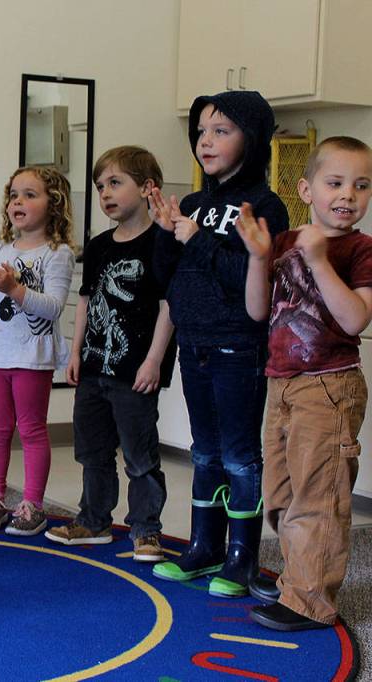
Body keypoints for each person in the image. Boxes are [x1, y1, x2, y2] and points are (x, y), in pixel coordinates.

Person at [150, 91, 289, 598]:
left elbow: (252, 278)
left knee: (239, 456)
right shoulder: (192, 204)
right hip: (196, 343)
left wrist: (195, 237)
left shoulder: (266, 207)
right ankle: (204, 548)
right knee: (204, 452)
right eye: (202, 132)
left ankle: (242, 557)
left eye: (222, 131)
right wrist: (167, 233)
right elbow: (168, 277)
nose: (206, 141)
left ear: (251, 141)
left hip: (239, 347)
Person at [235, 136, 372, 630]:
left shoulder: (360, 248)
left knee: (318, 496)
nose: (348, 195)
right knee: (280, 494)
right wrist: (258, 257)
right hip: (282, 386)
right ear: (306, 189)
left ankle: (309, 599)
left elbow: (355, 319)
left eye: (361, 186)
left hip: (329, 387)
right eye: (335, 183)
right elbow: (257, 311)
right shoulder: (288, 242)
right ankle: (298, 574)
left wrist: (318, 261)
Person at [43, 147, 174, 560]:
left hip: (134, 370)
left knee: (139, 455)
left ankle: (146, 530)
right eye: (101, 186)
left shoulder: (161, 243)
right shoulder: (98, 246)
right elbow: (84, 300)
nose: (105, 193)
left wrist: (154, 359)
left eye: (116, 183)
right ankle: (94, 520)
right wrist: (75, 351)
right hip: (94, 367)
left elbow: (170, 305)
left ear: (147, 187)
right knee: (92, 450)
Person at [0, 165, 75, 535]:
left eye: (30, 194)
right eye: (14, 194)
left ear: (53, 204)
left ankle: (32, 504)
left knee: (31, 429)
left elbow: (54, 306)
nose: (19, 201)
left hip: (32, 357)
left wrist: (15, 288)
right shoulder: (1, 247)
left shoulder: (58, 254)